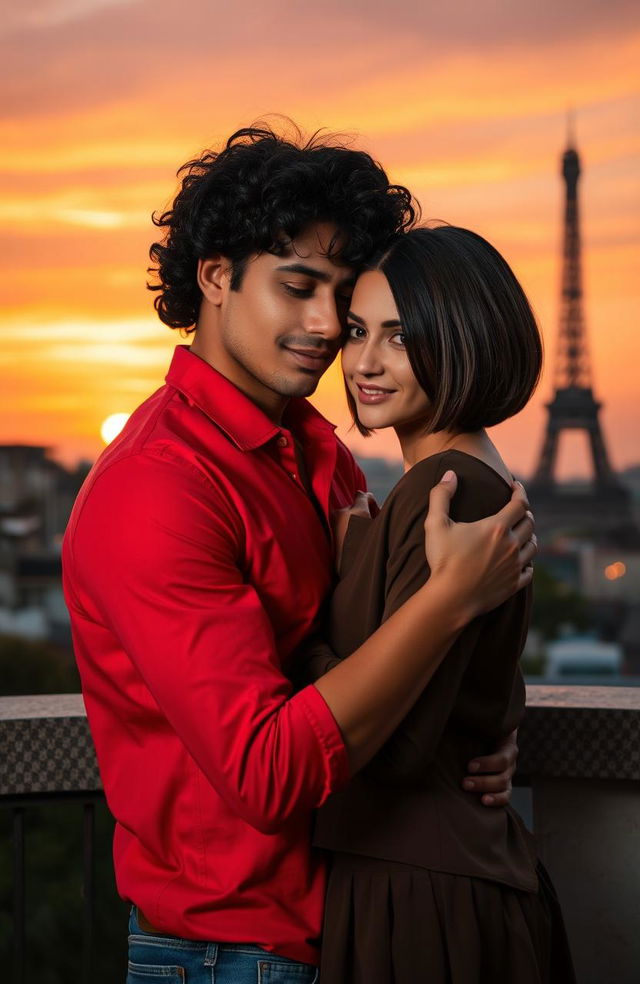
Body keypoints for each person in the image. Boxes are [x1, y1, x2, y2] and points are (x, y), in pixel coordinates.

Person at [61, 125, 536, 984]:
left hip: (360, 926)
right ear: (215, 277)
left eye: (343, 299)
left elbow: (385, 660)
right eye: (297, 287)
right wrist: (445, 606)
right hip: (231, 955)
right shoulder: (157, 489)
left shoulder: (320, 455)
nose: (326, 328)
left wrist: (480, 734)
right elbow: (268, 773)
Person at [303, 225, 575, 983]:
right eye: (357, 331)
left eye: (400, 336)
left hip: (417, 894)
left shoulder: (441, 492)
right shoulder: (480, 481)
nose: (363, 362)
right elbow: (473, 688)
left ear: (463, 338)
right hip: (449, 872)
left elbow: (387, 750)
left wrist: (293, 642)